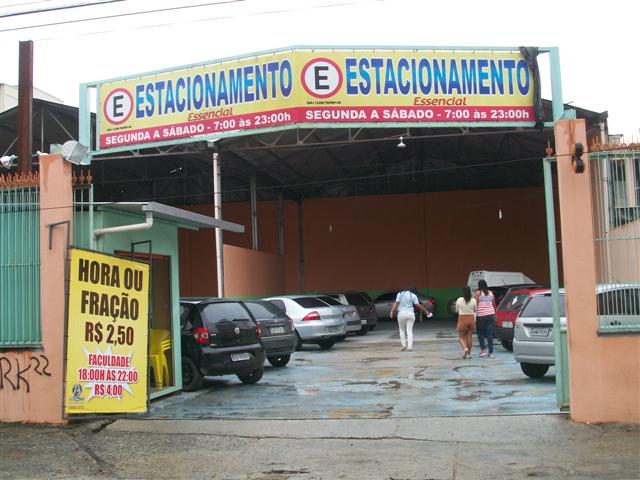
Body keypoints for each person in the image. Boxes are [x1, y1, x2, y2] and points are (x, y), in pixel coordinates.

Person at [389, 287, 430, 351]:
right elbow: (418, 305)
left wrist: (392, 312)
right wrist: (426, 311)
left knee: (402, 330)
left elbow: (396, 303)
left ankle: (403, 346)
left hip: (401, 314)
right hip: (410, 314)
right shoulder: (413, 295)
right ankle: (410, 347)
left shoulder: (400, 294)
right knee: (409, 330)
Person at [474, 279, 497, 358]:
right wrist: (495, 314)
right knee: (489, 334)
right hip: (490, 314)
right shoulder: (491, 293)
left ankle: (483, 350)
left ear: (479, 285)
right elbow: (494, 304)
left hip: (481, 315)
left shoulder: (478, 293)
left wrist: (474, 315)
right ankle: (491, 353)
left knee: (480, 333)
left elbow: (475, 305)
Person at [455, 286, 477, 359]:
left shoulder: (459, 300)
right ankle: (469, 354)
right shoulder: (473, 300)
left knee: (461, 337)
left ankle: (465, 348)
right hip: (470, 319)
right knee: (469, 337)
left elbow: (457, 310)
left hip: (462, 319)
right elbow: (475, 310)